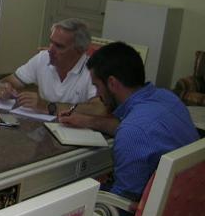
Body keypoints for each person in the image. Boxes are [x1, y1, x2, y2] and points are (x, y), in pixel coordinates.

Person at [62, 42, 198, 200]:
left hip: (142, 211)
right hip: (185, 202)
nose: (98, 94)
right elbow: (142, 132)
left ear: (112, 83)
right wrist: (90, 121)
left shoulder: (132, 132)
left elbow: (121, 202)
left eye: (97, 86)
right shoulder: (168, 98)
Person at [0, 18, 102, 116]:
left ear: (79, 50)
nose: (50, 50)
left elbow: (98, 109)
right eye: (51, 42)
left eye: (59, 46)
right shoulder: (43, 58)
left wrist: (48, 106)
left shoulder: (93, 70)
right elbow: (8, 81)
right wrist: (3, 88)